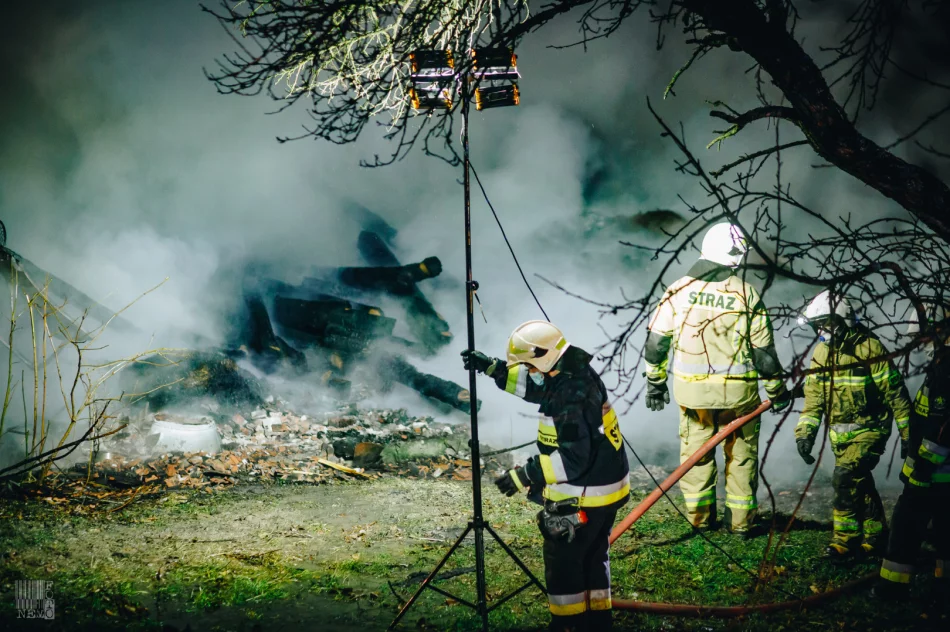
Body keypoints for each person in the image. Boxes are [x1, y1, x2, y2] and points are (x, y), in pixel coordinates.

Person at [462, 321, 629, 632]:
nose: (528, 371)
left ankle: (568, 625)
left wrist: (525, 475)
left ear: (541, 359)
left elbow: (574, 460)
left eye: (527, 365)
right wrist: (493, 369)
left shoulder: (571, 396)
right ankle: (597, 623)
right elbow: (536, 389)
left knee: (564, 567)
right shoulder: (569, 371)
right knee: (592, 561)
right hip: (607, 488)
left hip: (584, 493)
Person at [643, 222, 791, 534]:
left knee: (696, 460)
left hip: (693, 397)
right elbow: (764, 353)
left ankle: (699, 522)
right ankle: (739, 523)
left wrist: (655, 383)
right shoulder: (746, 293)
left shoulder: (678, 289)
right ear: (736, 257)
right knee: (741, 458)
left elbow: (657, 343)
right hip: (741, 399)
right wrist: (778, 390)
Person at [795, 289, 912, 558]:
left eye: (826, 324)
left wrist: (908, 435)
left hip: (871, 429)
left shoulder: (870, 349)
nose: (821, 331)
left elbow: (896, 394)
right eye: (818, 326)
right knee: (860, 482)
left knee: (845, 477)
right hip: (839, 435)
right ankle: (877, 535)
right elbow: (813, 401)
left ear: (843, 321)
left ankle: (845, 541)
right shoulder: (821, 353)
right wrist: (805, 435)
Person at [875, 305, 950, 598]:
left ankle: (892, 586)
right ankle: (944, 585)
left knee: (906, 523)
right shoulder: (941, 365)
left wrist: (923, 465)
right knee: (945, 527)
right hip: (938, 472)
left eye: (924, 337)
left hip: (932, 471)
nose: (920, 345)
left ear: (940, 331)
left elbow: (943, 426)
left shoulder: (946, 370)